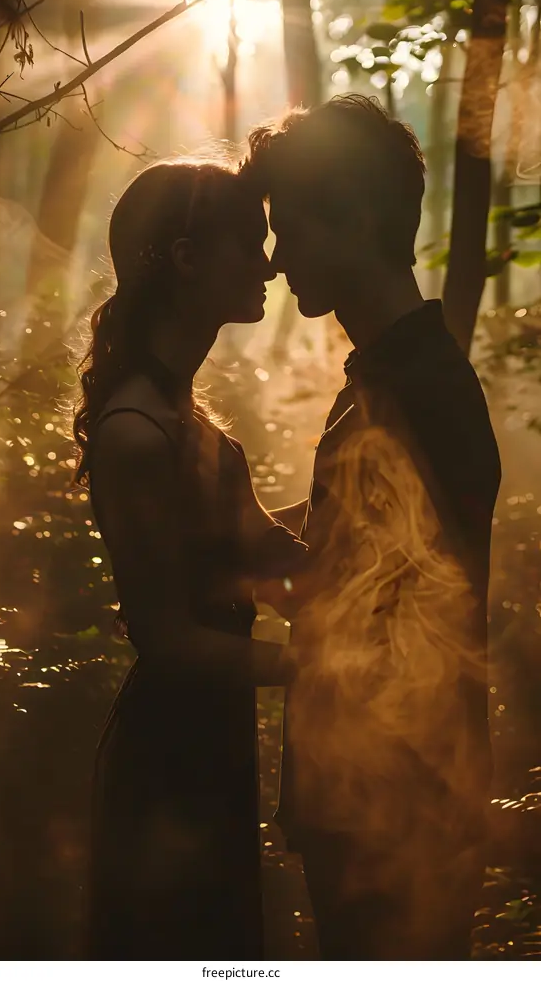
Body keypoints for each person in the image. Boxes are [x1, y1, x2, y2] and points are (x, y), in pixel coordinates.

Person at [241, 94, 501, 961]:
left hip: (396, 810)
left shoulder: (414, 397)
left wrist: (207, 545)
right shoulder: (387, 380)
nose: (275, 261)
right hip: (378, 798)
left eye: (291, 229)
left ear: (352, 219)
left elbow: (341, 598)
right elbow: (343, 547)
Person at [72, 161, 306, 961]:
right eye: (250, 244)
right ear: (185, 258)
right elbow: (167, 641)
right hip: (168, 762)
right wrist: (319, 667)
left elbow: (276, 560)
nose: (271, 263)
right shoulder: (139, 434)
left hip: (210, 747)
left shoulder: (193, 428)